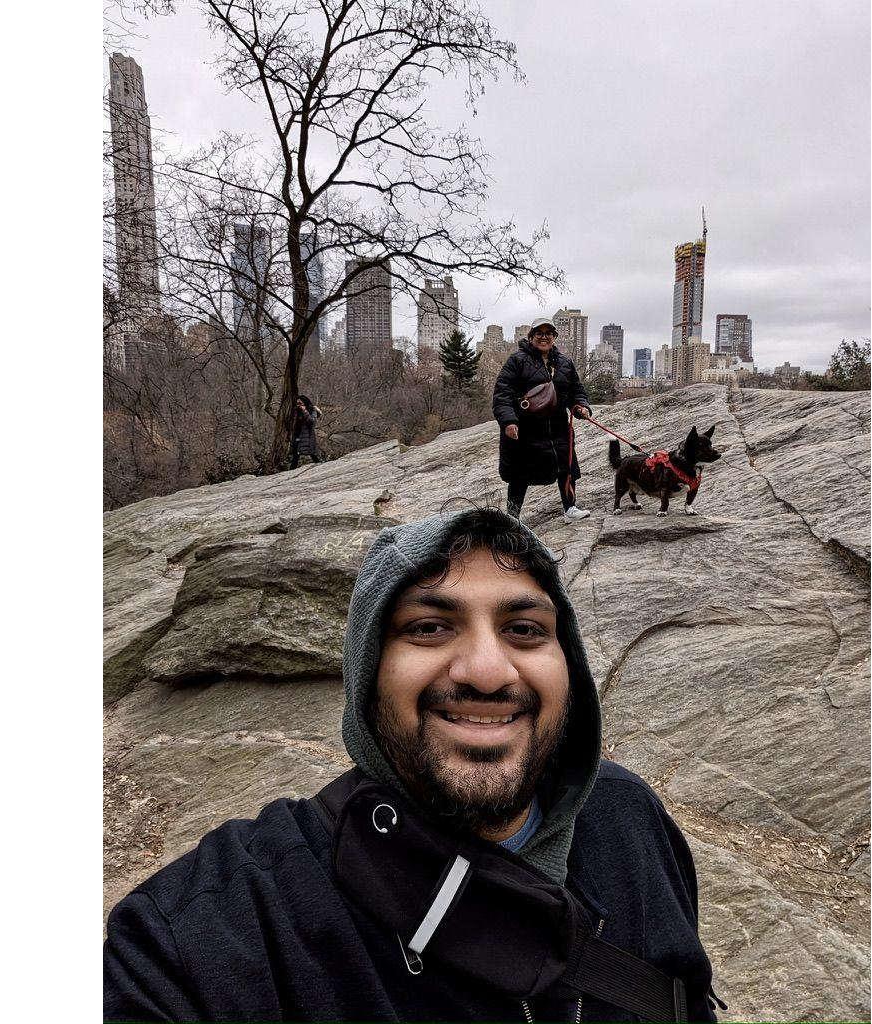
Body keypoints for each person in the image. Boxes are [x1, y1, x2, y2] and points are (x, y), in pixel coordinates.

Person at [103, 507, 720, 1022]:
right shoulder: (226, 927)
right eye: (428, 627)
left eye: (526, 629)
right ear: (368, 677)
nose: (485, 671)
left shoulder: (630, 820)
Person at [493, 317, 593, 524]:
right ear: (531, 337)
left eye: (549, 333)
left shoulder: (565, 363)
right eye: (539, 333)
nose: (544, 337)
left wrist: (581, 407)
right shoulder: (517, 360)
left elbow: (576, 390)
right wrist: (509, 421)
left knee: (566, 469)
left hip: (558, 428)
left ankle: (570, 509)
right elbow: (502, 393)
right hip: (526, 429)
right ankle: (512, 518)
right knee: (519, 475)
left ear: (555, 337)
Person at [289, 395, 322, 468]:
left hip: (308, 434)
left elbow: (312, 422)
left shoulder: (312, 410)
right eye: (297, 403)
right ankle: (292, 469)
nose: (299, 405)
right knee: (296, 454)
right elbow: (291, 423)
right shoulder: (296, 410)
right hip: (298, 434)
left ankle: (320, 466)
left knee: (312, 452)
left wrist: (305, 411)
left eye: (300, 403)